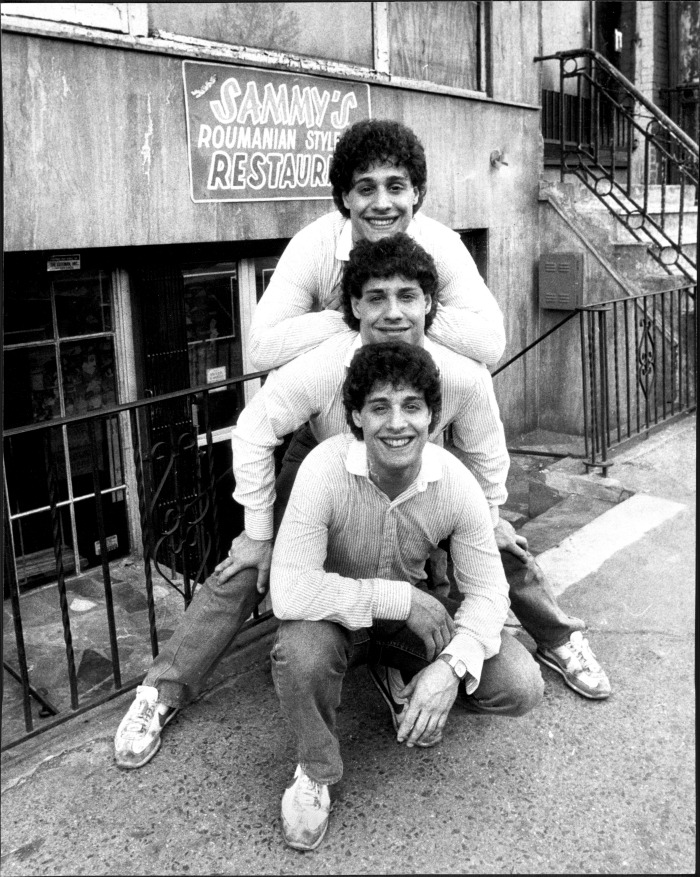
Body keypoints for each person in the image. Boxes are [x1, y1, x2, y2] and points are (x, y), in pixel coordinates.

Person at [113, 234, 609, 770]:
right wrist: (258, 530)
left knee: (494, 545)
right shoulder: (325, 364)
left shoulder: (461, 375)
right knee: (253, 563)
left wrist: (490, 517)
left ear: (429, 305)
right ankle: (160, 691)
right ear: (354, 306)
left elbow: (487, 452)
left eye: (407, 298)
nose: (393, 313)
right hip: (324, 463)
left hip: (414, 471)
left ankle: (553, 639)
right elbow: (253, 431)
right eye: (376, 299)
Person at [270, 341, 544, 851]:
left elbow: (488, 592)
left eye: (412, 407)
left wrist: (451, 669)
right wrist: (398, 598)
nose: (397, 423)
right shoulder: (323, 469)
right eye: (379, 407)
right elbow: (288, 590)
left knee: (519, 685)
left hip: (410, 627)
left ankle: (408, 675)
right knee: (299, 653)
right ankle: (316, 770)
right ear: (355, 417)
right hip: (336, 623)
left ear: (432, 416)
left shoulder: (455, 482)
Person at [248, 117, 505, 371]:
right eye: (366, 189)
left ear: (415, 193)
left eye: (395, 187)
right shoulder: (313, 244)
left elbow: (491, 343)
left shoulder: (441, 243)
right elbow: (260, 348)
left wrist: (406, 311)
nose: (382, 204)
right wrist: (344, 317)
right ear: (345, 197)